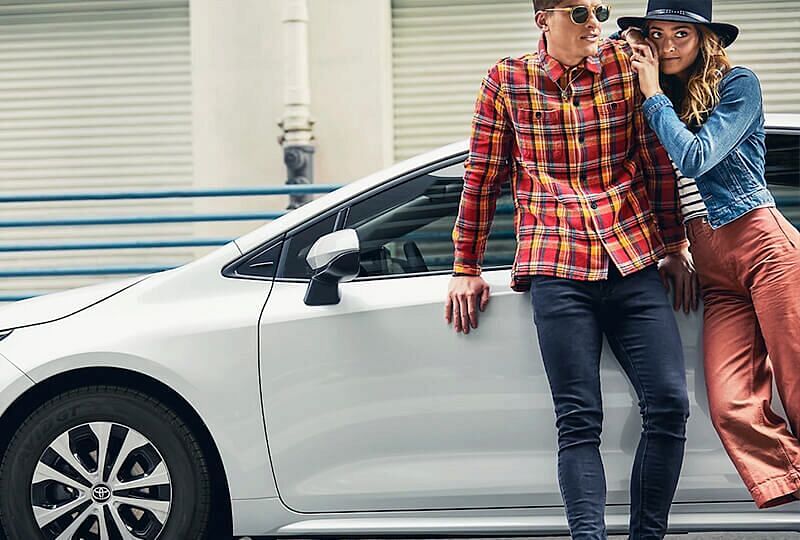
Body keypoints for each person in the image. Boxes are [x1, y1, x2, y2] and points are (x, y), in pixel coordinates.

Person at [444, 1, 693, 537]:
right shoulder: (506, 80)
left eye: (600, 9)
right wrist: (466, 263)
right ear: (544, 19)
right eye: (580, 12)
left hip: (632, 257)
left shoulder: (626, 68)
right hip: (557, 267)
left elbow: (655, 161)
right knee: (579, 421)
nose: (595, 22)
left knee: (670, 404)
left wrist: (674, 246)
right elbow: (483, 177)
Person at [620, 0, 800, 509]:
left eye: (682, 33)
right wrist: (675, 249)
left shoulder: (738, 85)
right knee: (729, 402)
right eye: (657, 34)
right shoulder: (657, 103)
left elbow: (696, 158)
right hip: (714, 269)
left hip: (765, 249)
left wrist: (653, 92)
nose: (669, 45)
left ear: (704, 39)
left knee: (797, 386)